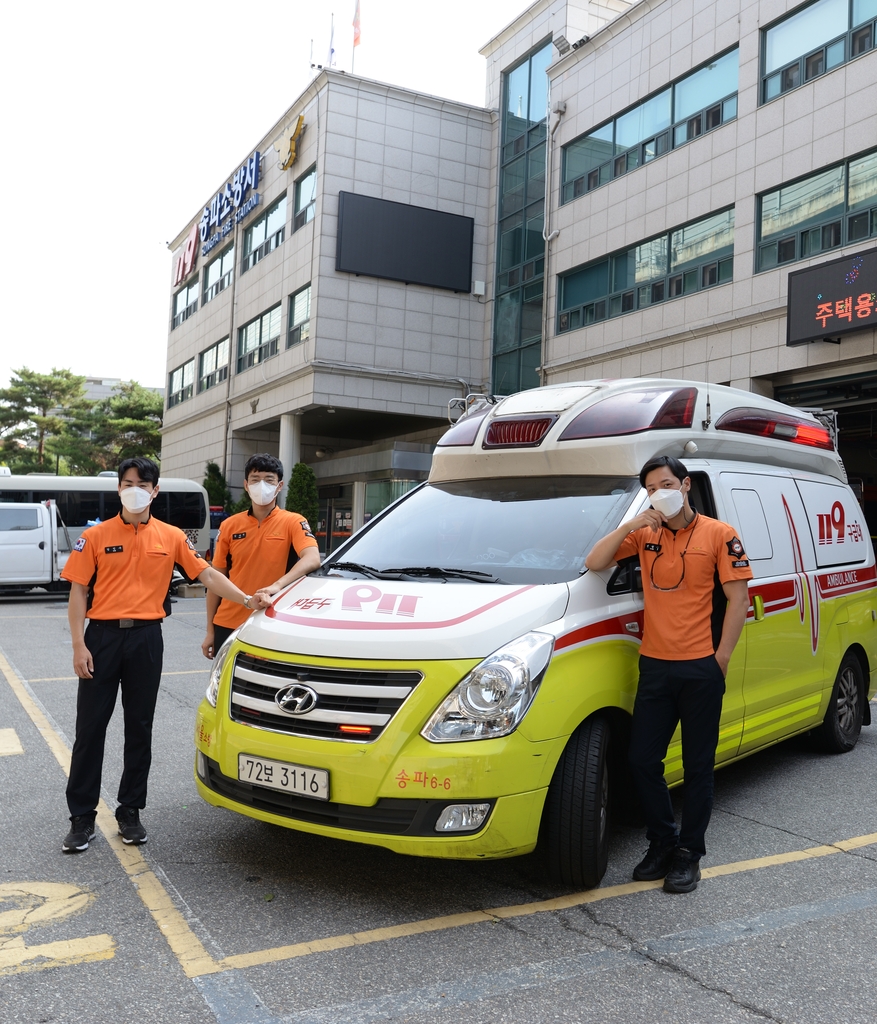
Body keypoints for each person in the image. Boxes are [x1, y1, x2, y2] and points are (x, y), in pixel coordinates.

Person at [61, 456, 269, 853]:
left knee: (139, 728)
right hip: (101, 638)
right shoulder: (97, 536)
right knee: (90, 731)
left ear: (155, 490)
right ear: (118, 488)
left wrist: (244, 598)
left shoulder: (172, 537)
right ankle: (81, 818)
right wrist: (78, 644)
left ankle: (130, 811)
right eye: (127, 483)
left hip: (146, 640)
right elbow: (78, 592)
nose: (134, 489)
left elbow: (206, 574)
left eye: (142, 483)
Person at [585, 455, 752, 893]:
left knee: (698, 767)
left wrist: (721, 658)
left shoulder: (720, 534)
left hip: (701, 668)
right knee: (642, 760)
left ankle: (688, 854)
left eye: (664, 484)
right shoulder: (644, 535)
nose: (658, 492)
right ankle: (662, 840)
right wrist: (630, 525)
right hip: (655, 666)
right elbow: (595, 560)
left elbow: (738, 600)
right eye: (650, 488)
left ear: (685, 485)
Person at [201, 453, 321, 659]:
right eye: (255, 480)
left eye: (269, 480)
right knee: (225, 687)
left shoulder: (293, 522)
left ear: (280, 485)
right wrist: (210, 631)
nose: (262, 485)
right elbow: (215, 580)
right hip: (228, 623)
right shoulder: (229, 525)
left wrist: (276, 586)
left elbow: (312, 558)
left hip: (270, 620)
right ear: (246, 485)